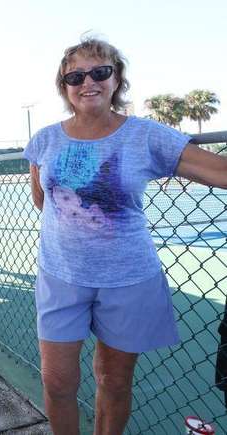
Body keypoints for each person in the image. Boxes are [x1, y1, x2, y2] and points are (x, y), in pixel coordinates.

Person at [24, 38, 227, 435]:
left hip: (129, 279)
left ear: (116, 79)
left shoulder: (146, 136)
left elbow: (219, 171)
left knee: (114, 382)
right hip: (61, 277)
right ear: (64, 86)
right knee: (57, 382)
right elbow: (42, 201)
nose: (88, 82)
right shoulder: (44, 141)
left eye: (100, 72)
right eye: (76, 75)